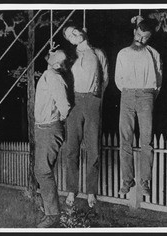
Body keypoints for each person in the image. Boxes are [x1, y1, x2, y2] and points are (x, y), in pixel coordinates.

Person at [62, 23, 109, 208]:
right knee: (72, 149)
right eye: (69, 36)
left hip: (92, 100)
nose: (74, 35)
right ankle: (72, 190)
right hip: (74, 102)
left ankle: (91, 192)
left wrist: (96, 98)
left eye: (75, 31)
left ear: (83, 31)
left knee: (93, 149)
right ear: (70, 41)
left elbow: (105, 78)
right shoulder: (69, 56)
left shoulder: (98, 53)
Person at [115, 18, 162, 196]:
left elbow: (158, 80)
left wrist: (147, 96)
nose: (140, 40)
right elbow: (118, 79)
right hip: (126, 95)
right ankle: (127, 180)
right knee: (125, 139)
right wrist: (129, 91)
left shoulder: (154, 54)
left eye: (144, 38)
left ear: (149, 38)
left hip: (146, 96)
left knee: (146, 140)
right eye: (138, 35)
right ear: (134, 31)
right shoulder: (123, 53)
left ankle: (145, 180)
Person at [34, 49, 71, 228]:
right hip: (42, 128)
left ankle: (53, 215)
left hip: (50, 128)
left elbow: (65, 106)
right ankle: (50, 211)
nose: (52, 52)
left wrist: (55, 121)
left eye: (55, 54)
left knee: (43, 171)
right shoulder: (48, 73)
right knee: (40, 170)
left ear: (57, 64)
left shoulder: (55, 77)